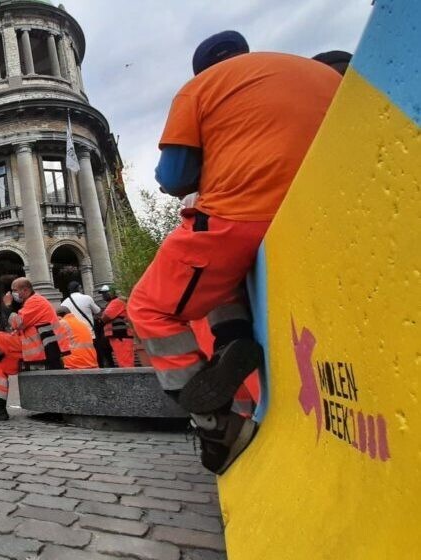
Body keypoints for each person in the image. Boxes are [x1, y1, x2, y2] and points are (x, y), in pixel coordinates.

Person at [129, 30, 340, 474]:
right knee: (222, 279)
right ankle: (232, 340)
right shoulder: (315, 70)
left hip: (245, 216)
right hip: (330, 203)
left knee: (149, 307)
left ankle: (215, 424)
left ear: (204, 66)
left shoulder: (201, 88)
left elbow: (174, 176)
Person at [0, 278, 68, 422]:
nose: (13, 294)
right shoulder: (30, 303)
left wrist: (7, 306)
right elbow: (20, 328)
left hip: (41, 350)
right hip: (32, 350)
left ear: (25, 290)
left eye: (15, 290)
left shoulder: (36, 301)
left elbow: (17, 323)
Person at [99, 286, 135, 368]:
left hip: (120, 335)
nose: (103, 296)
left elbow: (106, 316)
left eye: (105, 293)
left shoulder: (116, 302)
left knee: (125, 362)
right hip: (119, 335)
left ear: (111, 293)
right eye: (103, 294)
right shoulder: (114, 302)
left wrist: (101, 317)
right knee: (123, 360)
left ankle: (128, 378)